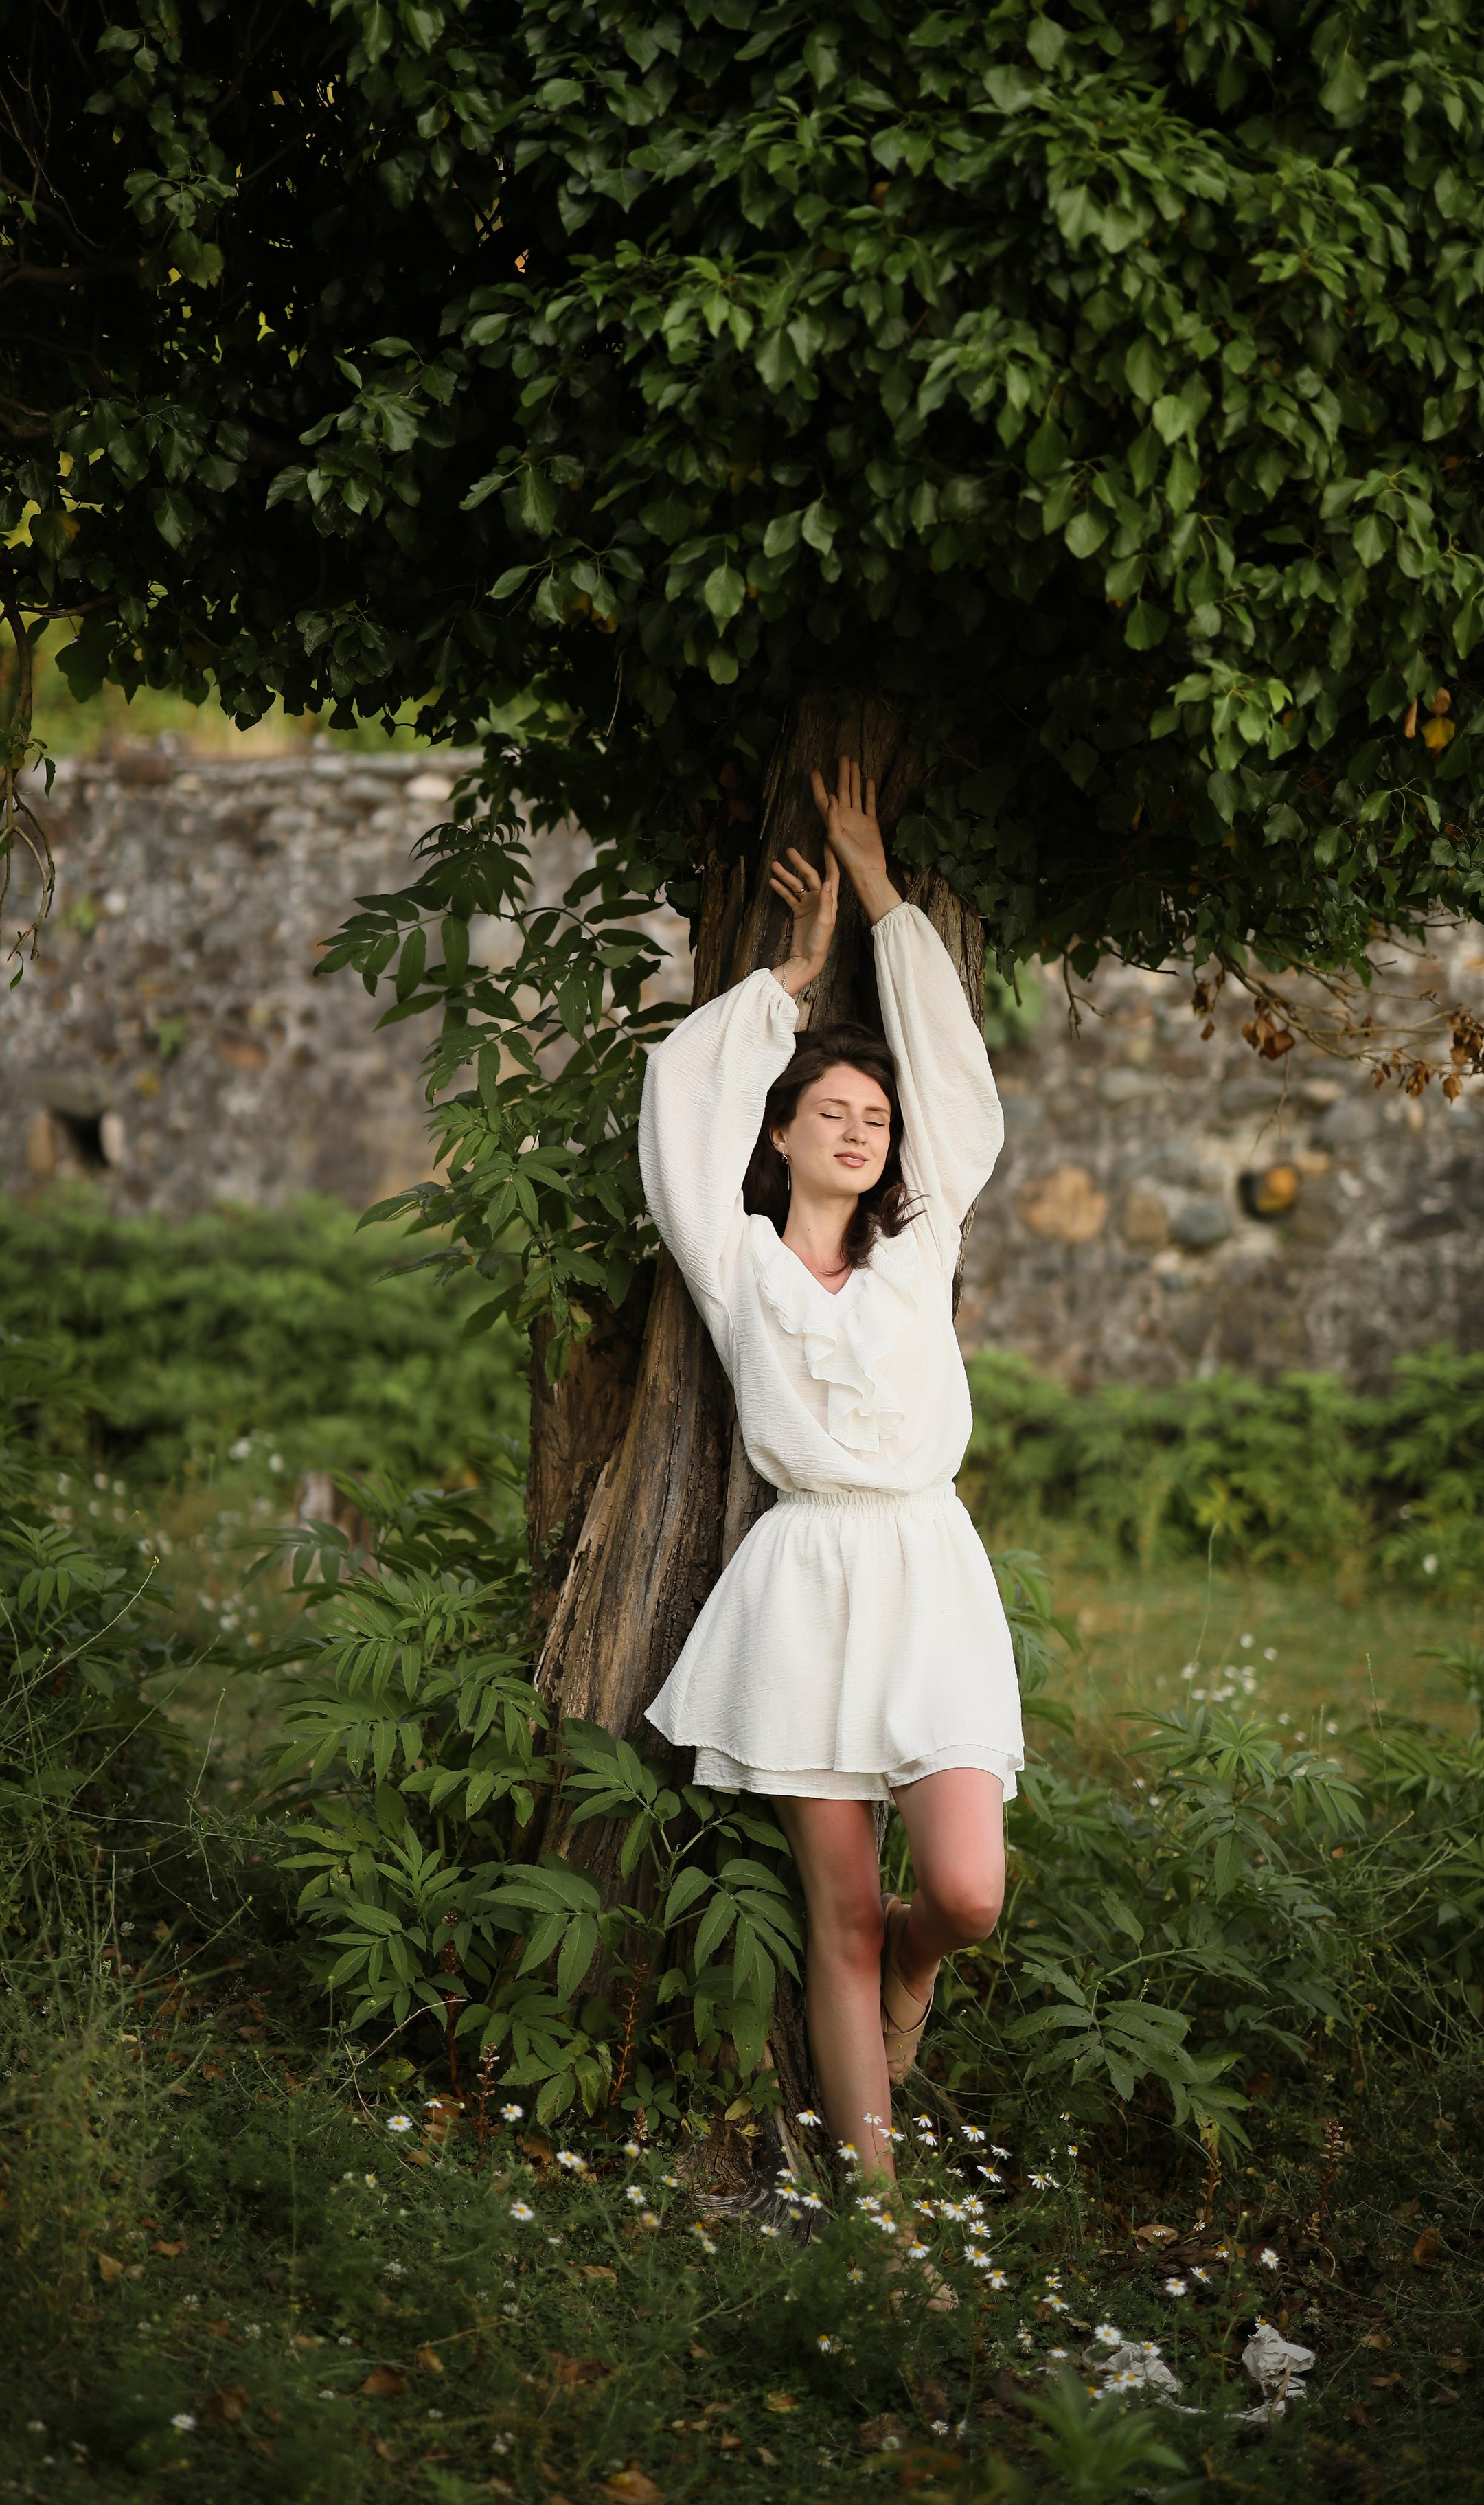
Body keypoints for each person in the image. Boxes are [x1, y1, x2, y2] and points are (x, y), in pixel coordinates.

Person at [638, 757, 1023, 2186]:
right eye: (831, 1113)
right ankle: (878, 2209)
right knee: (841, 1913)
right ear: (783, 1135)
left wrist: (877, 894)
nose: (861, 1128)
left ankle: (925, 1974)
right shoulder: (734, 1262)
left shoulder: (922, 1252)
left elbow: (958, 1099)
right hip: (804, 1579)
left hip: (923, 1566)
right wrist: (790, 980)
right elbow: (681, 1109)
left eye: (874, 1117)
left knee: (962, 1894)